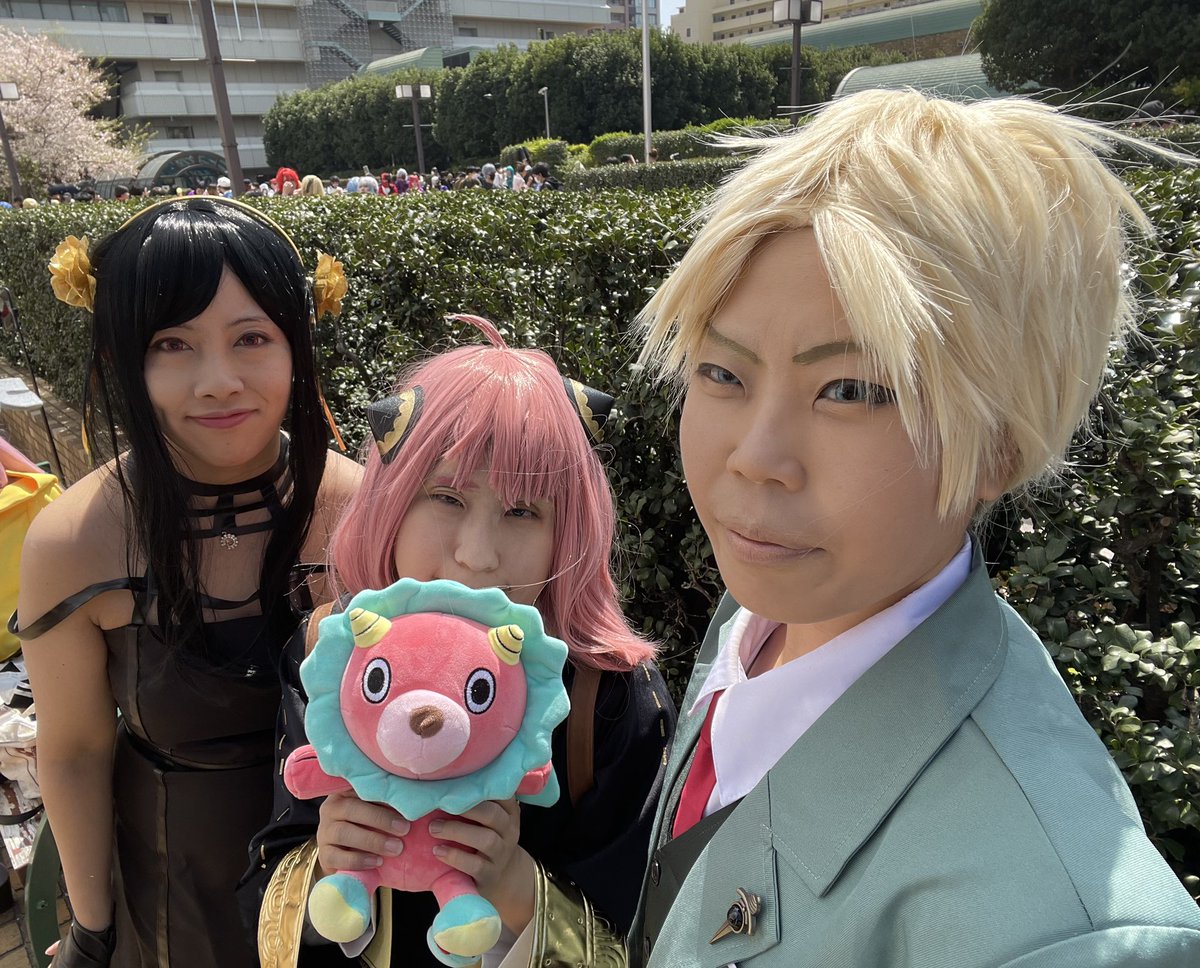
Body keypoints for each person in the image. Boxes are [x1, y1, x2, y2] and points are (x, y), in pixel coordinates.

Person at [624, 89, 1200, 967]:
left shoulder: (1058, 934)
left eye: (850, 390)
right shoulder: (768, 613)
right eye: (722, 373)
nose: (755, 457)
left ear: (999, 447)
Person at [245, 315, 675, 968]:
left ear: (569, 531)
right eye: (446, 496)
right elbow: (271, 878)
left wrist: (515, 886)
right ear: (391, 502)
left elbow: (651, 928)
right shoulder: (328, 652)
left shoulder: (609, 693)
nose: (477, 555)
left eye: (523, 511)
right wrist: (329, 862)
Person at [14, 197, 362, 968]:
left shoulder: (369, 511)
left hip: (352, 882)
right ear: (122, 358)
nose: (218, 382)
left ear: (298, 344)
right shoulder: (74, 541)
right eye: (172, 344)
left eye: (251, 338)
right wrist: (94, 931)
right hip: (172, 897)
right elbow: (74, 752)